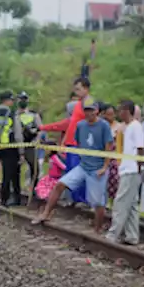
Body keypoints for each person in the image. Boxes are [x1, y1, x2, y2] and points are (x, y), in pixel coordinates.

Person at [33, 99, 111, 231]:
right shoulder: (80, 125)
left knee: (98, 202)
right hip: (83, 166)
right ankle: (46, 213)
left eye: (91, 110)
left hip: (97, 168)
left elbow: (109, 147)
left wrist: (104, 167)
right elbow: (79, 143)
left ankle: (97, 228)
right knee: (60, 185)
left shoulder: (104, 126)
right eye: (86, 110)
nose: (88, 113)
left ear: (96, 111)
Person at [41, 76, 93, 207]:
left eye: (79, 89)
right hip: (71, 143)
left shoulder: (89, 103)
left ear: (86, 88)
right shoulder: (79, 104)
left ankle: (82, 199)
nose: (76, 92)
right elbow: (69, 123)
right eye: (75, 89)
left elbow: (91, 123)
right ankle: (74, 198)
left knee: (78, 172)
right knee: (71, 172)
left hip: (79, 144)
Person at [107, 100, 144, 245]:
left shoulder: (136, 127)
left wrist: (138, 167)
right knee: (132, 204)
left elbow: (140, 148)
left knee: (121, 202)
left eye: (120, 110)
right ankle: (132, 235)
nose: (118, 113)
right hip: (125, 168)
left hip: (131, 169)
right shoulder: (126, 128)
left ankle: (113, 234)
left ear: (127, 111)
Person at [15, 93, 41, 200]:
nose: (22, 101)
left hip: (30, 145)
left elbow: (40, 129)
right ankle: (16, 192)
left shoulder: (33, 115)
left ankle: (33, 189)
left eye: (24, 99)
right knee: (14, 170)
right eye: (21, 99)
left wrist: (37, 141)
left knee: (35, 169)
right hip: (15, 146)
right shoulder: (14, 115)